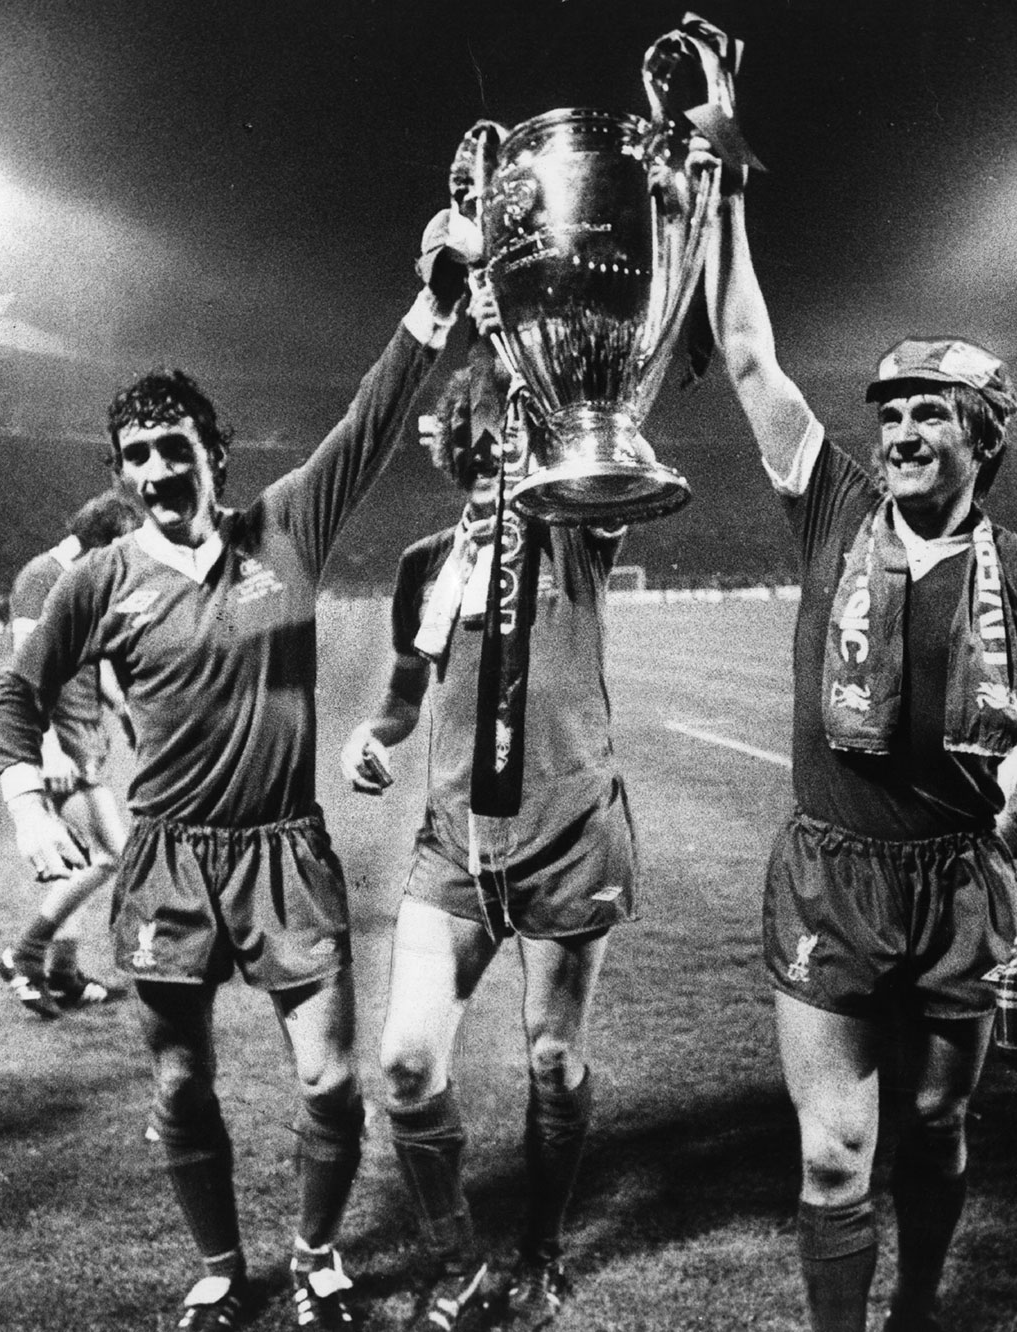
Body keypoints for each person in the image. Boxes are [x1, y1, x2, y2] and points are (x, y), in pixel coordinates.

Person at [0, 205, 478, 1332]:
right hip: (166, 862)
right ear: (122, 475)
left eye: (177, 450)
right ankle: (219, 1269)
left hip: (282, 856)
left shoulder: (282, 531)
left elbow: (371, 419)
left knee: (329, 1082)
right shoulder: (99, 580)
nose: (159, 470)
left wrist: (437, 301)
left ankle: (315, 1258)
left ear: (216, 455)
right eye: (138, 457)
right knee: (177, 1081)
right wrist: (27, 803)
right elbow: (16, 697)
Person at [706, 186, 1017, 1332]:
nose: (898, 434)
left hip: (958, 883)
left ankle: (919, 1308)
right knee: (835, 1152)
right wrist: (727, 201)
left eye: (928, 412)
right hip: (832, 874)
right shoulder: (833, 506)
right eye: (888, 414)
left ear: (983, 436)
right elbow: (748, 354)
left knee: (935, 1127)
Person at [341, 352, 636, 1331]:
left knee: (553, 1056)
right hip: (456, 850)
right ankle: (460, 1263)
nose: (487, 463)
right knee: (406, 1064)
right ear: (451, 453)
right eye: (472, 448)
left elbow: (614, 453)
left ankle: (542, 1254)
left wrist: (552, 375)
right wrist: (372, 735)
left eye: (505, 444)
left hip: (569, 838)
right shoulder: (426, 565)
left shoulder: (575, 531)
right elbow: (403, 694)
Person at [0, 492, 141, 1018]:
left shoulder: (83, 577)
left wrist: (122, 708)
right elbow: (25, 671)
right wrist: (49, 748)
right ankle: (24, 954)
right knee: (111, 854)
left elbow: (92, 660)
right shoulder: (42, 577)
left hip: (83, 735)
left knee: (75, 860)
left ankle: (63, 974)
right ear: (101, 541)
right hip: (60, 743)